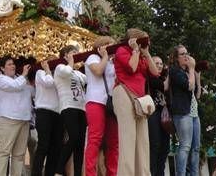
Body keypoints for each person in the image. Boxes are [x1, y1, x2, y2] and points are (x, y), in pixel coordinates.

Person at [113, 28, 159, 176]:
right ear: (134, 40)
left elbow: (155, 73)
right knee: (128, 139)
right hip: (124, 93)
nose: (147, 43)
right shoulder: (122, 50)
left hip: (140, 99)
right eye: (144, 41)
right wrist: (135, 51)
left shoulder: (142, 55)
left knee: (143, 141)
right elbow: (131, 68)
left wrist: (146, 52)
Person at [84, 36, 118, 176]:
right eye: (109, 45)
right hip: (95, 101)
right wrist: (104, 56)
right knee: (95, 138)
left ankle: (112, 173)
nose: (112, 48)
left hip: (110, 104)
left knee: (114, 141)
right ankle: (90, 173)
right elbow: (98, 71)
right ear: (101, 46)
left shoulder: (112, 62)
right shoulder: (93, 58)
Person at [0, 55, 32, 176]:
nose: (13, 66)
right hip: (7, 119)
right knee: (4, 151)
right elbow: (15, 86)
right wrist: (24, 74)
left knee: (19, 154)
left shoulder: (21, 79)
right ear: (2, 68)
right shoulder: (0, 79)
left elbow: (32, 92)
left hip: (23, 119)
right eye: (9, 64)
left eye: (13, 64)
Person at [54, 45, 87, 176]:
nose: (76, 54)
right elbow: (66, 72)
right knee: (73, 137)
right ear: (65, 55)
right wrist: (71, 61)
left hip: (81, 108)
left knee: (80, 143)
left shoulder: (78, 72)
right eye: (73, 52)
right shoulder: (60, 68)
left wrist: (86, 64)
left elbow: (87, 79)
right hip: (68, 106)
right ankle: (58, 171)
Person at [168, 45, 199, 176]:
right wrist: (192, 68)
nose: (186, 56)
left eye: (187, 53)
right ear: (176, 58)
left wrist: (196, 75)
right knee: (185, 146)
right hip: (182, 113)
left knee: (196, 148)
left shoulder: (187, 72)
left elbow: (197, 94)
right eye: (182, 54)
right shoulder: (174, 71)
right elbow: (188, 86)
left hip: (194, 113)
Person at [31, 58, 62, 176]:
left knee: (55, 147)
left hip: (57, 113)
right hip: (44, 112)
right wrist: (47, 69)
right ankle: (36, 173)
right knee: (43, 145)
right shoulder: (40, 73)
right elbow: (49, 82)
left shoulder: (59, 74)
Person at [148, 56, 170, 176]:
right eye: (156, 63)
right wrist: (170, 74)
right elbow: (163, 86)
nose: (160, 65)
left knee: (165, 147)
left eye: (161, 63)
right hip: (153, 113)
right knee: (155, 145)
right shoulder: (151, 77)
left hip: (164, 115)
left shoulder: (163, 77)